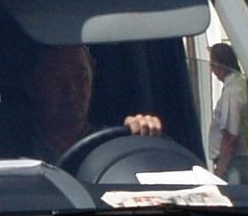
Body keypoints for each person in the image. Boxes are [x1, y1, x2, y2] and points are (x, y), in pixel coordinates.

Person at [22, 45, 162, 163]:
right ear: (32, 86)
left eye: (80, 77)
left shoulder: (115, 145)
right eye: (57, 79)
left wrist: (142, 134)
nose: (71, 89)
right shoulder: (10, 148)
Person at [208, 43, 248, 184]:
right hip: (245, 160)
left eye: (212, 65)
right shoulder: (241, 84)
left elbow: (231, 135)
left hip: (234, 163)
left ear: (218, 66)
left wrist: (220, 169)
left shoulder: (232, 91)